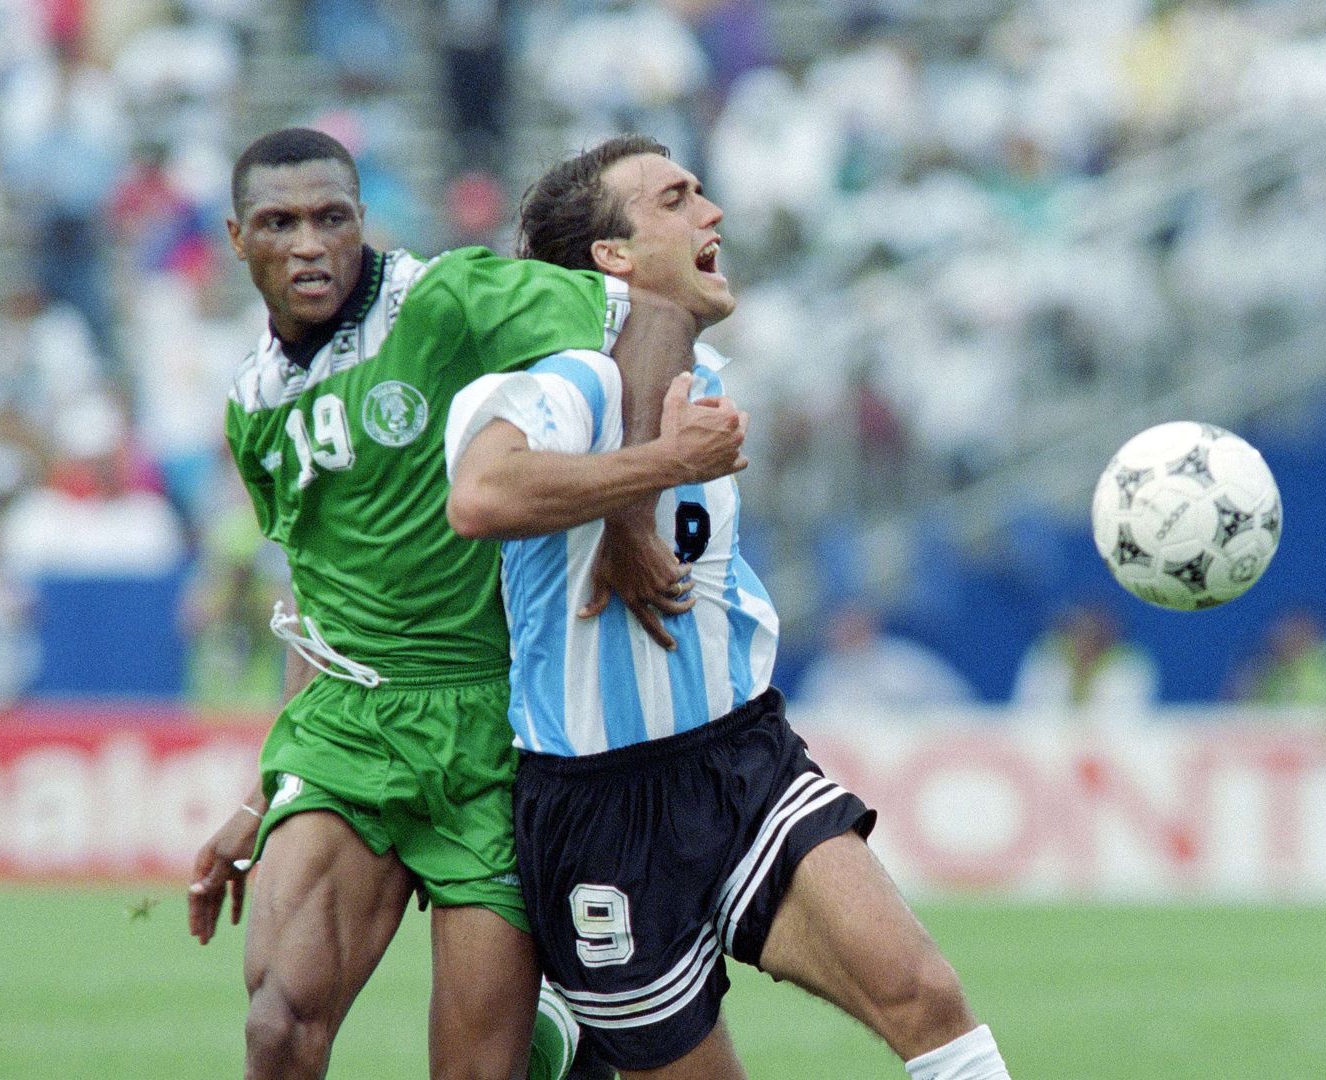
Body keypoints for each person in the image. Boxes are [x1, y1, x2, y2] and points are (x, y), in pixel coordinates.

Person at [183, 127, 747, 1080]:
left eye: (332, 218)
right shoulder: (252, 406)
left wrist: (630, 522)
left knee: (482, 1071)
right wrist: (259, 796)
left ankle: (562, 1045)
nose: (310, 243)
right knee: (279, 1029)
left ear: (364, 223)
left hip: (492, 729)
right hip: (349, 731)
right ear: (239, 241)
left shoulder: (448, 298)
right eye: (280, 224)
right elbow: (313, 601)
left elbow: (651, 313)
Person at [446, 135, 1012, 1080]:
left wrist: (645, 496)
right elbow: (480, 499)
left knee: (927, 996)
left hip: (742, 759)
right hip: (599, 808)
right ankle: (569, 1022)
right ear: (612, 258)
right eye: (676, 200)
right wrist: (661, 470)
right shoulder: (562, 381)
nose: (712, 214)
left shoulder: (702, 386)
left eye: (703, 191)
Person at [793, 600, 978, 712]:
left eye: (855, 623)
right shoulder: (821, 675)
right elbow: (812, 726)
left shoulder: (903, 662)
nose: (848, 631)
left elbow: (957, 704)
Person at [1010, 601, 1157, 730]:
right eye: (1081, 630)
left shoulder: (1128, 663)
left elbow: (1127, 720)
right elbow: (1029, 709)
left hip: (1106, 748)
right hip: (1048, 746)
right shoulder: (1049, 654)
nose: (1086, 639)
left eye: (1094, 634)